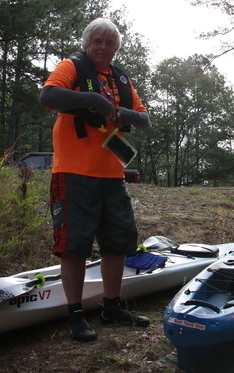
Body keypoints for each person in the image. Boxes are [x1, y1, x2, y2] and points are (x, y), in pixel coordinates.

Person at [39, 17, 151, 341]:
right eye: (97, 41)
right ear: (88, 44)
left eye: (109, 42)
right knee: (74, 246)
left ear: (116, 48)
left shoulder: (121, 78)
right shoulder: (72, 67)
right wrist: (94, 101)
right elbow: (48, 97)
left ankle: (112, 308)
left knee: (118, 242)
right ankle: (75, 315)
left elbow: (143, 118)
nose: (103, 47)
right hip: (73, 173)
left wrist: (120, 113)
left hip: (112, 174)